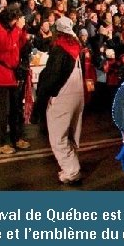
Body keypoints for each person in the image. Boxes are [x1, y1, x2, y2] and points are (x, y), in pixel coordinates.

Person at [34, 16, 85, 185]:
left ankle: (72, 171)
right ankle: (71, 166)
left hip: (63, 95)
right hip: (78, 94)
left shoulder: (60, 49)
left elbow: (52, 77)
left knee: (58, 136)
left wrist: (40, 101)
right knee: (70, 133)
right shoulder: (76, 46)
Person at [0, 4, 31, 155]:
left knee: (16, 109)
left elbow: (20, 43)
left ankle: (17, 138)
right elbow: (7, 45)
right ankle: (3, 142)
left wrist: (22, 30)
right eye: (15, 20)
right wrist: (17, 29)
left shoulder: (12, 29)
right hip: (1, 73)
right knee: (5, 110)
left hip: (12, 73)